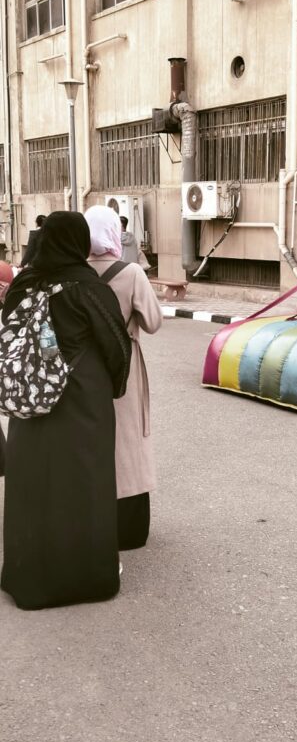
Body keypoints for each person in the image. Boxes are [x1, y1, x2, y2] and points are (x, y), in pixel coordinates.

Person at [1, 211, 132, 611]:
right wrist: (112, 387)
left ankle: (29, 577)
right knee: (84, 483)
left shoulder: (23, 284)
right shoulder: (88, 288)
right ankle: (85, 576)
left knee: (32, 485)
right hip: (82, 401)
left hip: (31, 402)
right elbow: (117, 346)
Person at [85, 205, 162, 550]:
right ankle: (128, 528)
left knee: (93, 438)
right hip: (124, 366)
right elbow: (153, 322)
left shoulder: (76, 271)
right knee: (129, 440)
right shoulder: (130, 273)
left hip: (86, 367)